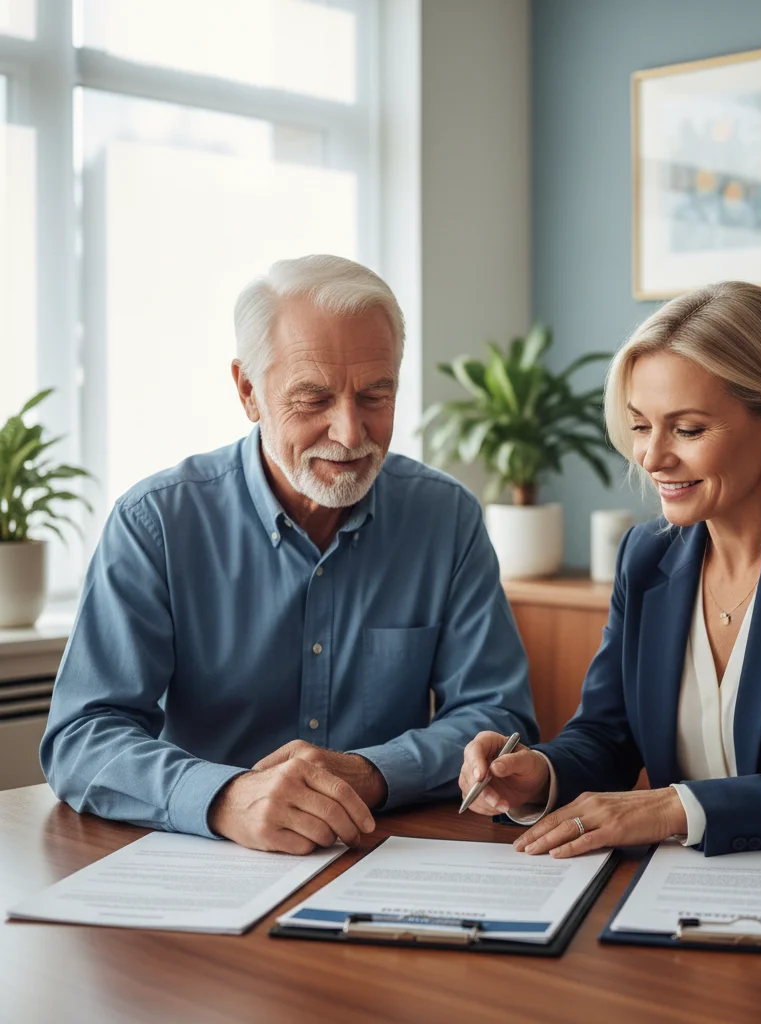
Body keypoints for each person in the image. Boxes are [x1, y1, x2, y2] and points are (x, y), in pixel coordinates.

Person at [42, 255, 538, 853]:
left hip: (382, 851)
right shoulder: (157, 523)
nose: (351, 433)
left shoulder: (446, 517)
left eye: (375, 396)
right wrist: (223, 797)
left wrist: (372, 772)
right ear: (248, 391)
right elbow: (83, 736)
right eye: (313, 399)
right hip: (201, 856)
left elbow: (498, 717)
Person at [460, 281, 761, 859]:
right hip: (689, 896)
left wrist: (674, 806)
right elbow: (605, 736)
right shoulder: (646, 557)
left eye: (688, 429)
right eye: (641, 425)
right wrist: (539, 772)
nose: (651, 456)